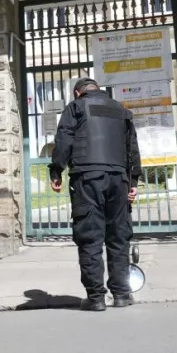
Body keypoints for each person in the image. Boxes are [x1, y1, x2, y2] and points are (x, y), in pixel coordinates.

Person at [49, 77, 141, 312]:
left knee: (90, 235)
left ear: (77, 93)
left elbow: (64, 140)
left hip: (87, 178)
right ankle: (122, 294)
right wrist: (133, 180)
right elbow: (131, 145)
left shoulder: (76, 107)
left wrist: (56, 170)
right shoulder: (120, 110)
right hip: (118, 179)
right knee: (118, 235)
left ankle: (96, 297)